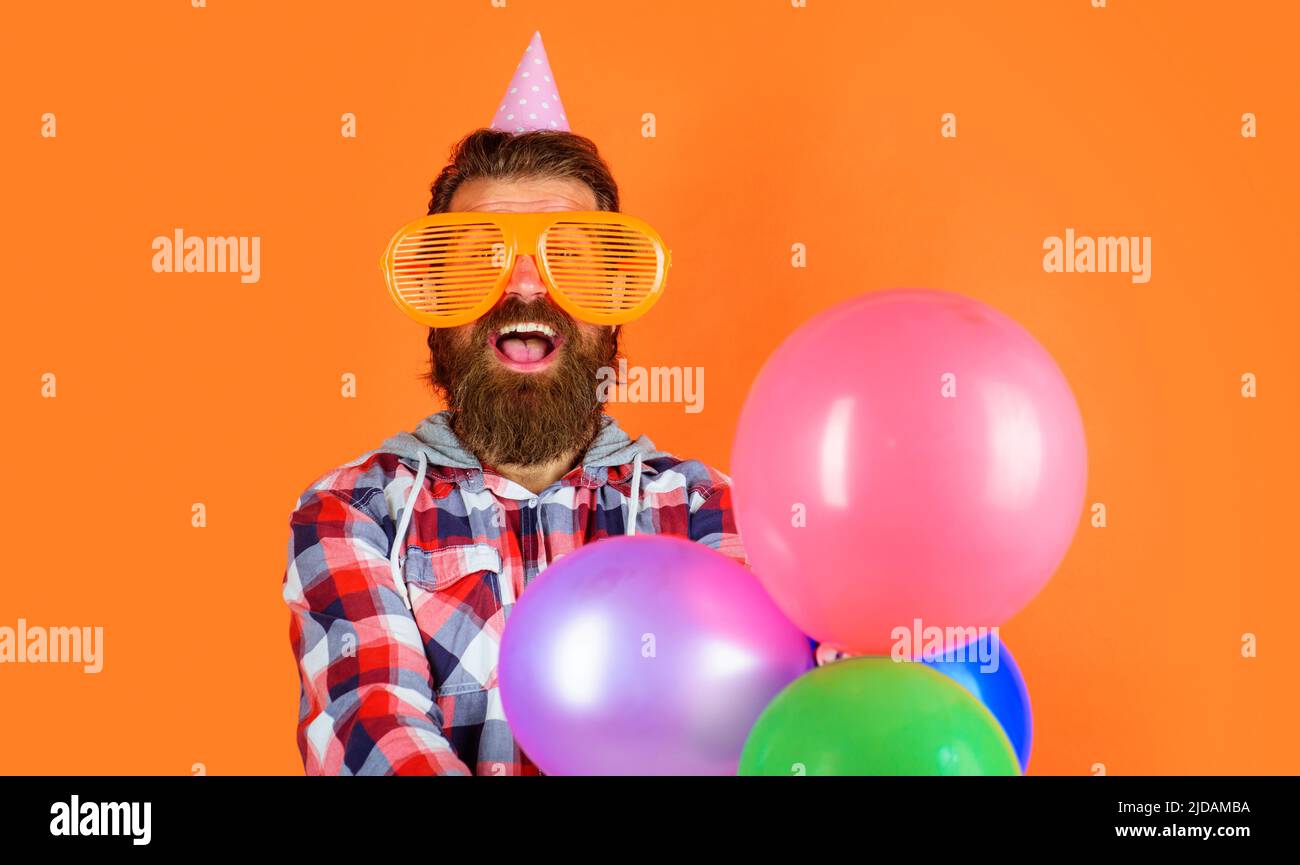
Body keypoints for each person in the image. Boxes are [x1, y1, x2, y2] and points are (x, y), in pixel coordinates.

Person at [282, 32, 746, 775]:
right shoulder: (355, 510)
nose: (526, 287)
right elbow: (376, 734)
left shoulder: (708, 513)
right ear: (436, 303)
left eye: (570, 259)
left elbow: (755, 729)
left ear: (613, 304)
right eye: (478, 258)